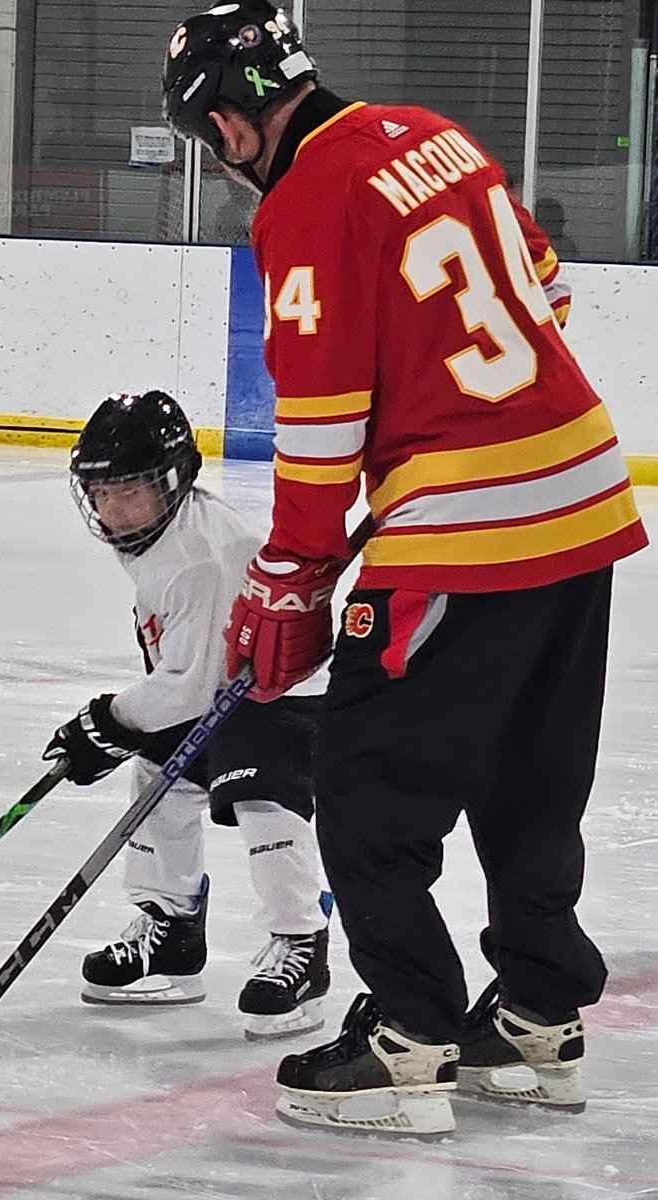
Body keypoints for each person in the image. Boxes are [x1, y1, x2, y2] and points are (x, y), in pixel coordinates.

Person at [163, 1, 648, 1134]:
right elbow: (543, 285)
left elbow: (322, 419)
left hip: (463, 528)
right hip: (581, 494)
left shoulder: (303, 203)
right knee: (530, 779)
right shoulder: (431, 130)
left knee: (372, 779)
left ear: (228, 128)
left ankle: (408, 1039)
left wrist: (289, 573)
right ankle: (535, 1020)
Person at [43, 391, 332, 1041]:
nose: (112, 509)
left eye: (130, 491)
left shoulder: (203, 554)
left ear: (174, 482)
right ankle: (171, 932)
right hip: (216, 689)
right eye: (101, 492)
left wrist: (105, 722)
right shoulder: (157, 535)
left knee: (259, 794)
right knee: (158, 777)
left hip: (280, 699)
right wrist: (122, 732)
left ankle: (301, 943)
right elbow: (187, 681)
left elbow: (192, 683)